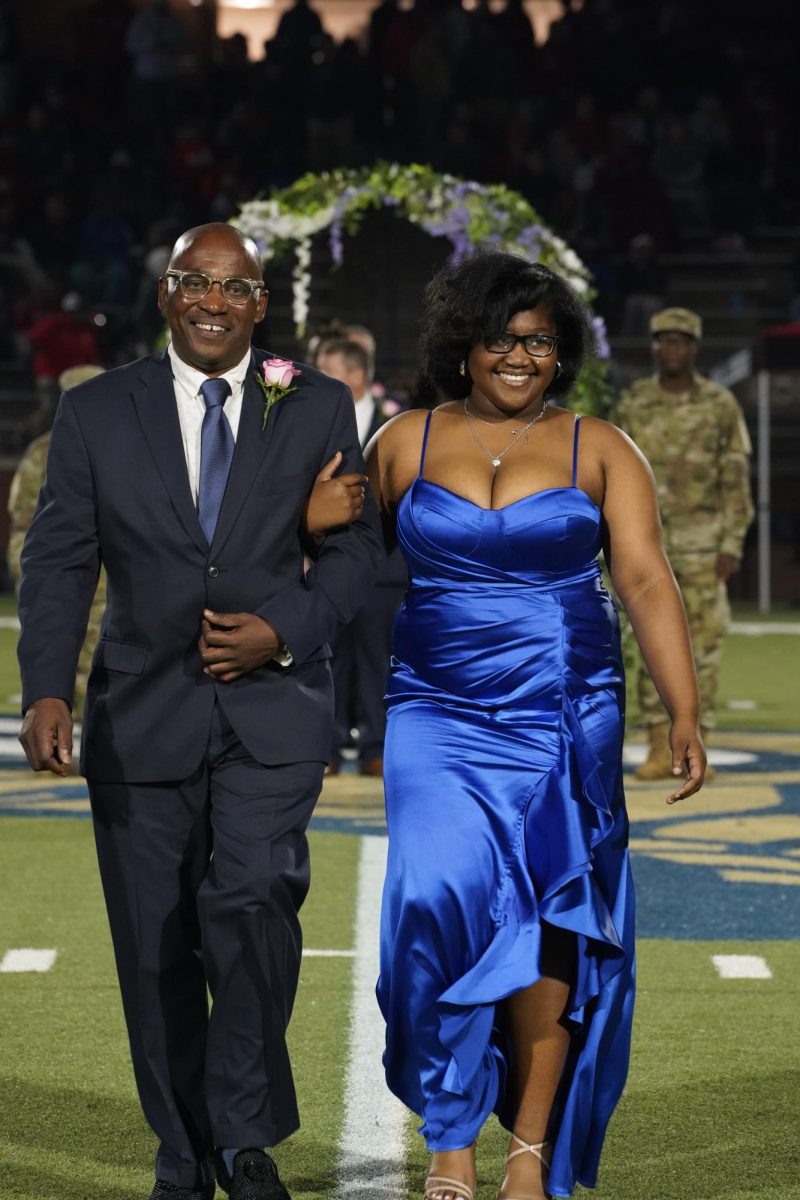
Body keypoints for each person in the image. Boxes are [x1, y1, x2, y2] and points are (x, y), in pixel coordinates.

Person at [313, 252, 705, 1200]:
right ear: (464, 345)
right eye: (502, 338)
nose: (521, 356)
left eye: (539, 339)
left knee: (548, 921)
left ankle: (525, 1147)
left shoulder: (600, 444)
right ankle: (450, 1132)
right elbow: (342, 566)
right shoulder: (403, 439)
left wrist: (682, 709)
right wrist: (314, 522)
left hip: (566, 707)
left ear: (561, 349)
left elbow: (647, 579)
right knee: (432, 908)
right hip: (435, 711)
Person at [17, 222, 381, 1200]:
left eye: (235, 287)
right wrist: (45, 687)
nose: (213, 302)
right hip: (139, 715)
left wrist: (285, 628)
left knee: (252, 902)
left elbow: (353, 556)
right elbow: (58, 561)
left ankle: (243, 1134)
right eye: (194, 283)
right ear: (169, 295)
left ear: (263, 304)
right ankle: (185, 1152)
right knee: (156, 945)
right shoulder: (98, 413)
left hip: (271, 711)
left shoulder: (316, 404)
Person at [614, 306, 754, 780]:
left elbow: (736, 478)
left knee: (704, 647)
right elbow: (611, 476)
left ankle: (699, 746)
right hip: (644, 544)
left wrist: (732, 543)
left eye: (679, 341)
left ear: (694, 348)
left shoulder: (720, 405)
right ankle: (658, 744)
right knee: (646, 641)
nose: (670, 349)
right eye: (662, 341)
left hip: (703, 545)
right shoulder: (633, 403)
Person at [315, 336, 407, 777]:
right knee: (327, 657)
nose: (313, 375)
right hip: (326, 560)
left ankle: (377, 745)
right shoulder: (309, 419)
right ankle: (326, 745)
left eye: (325, 367)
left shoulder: (397, 423)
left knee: (378, 659)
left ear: (354, 376)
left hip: (384, 568)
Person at [7, 364, 106, 713]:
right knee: (62, 646)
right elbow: (25, 520)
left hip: (112, 571)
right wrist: (25, 565)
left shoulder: (125, 444)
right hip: (61, 563)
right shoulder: (44, 451)